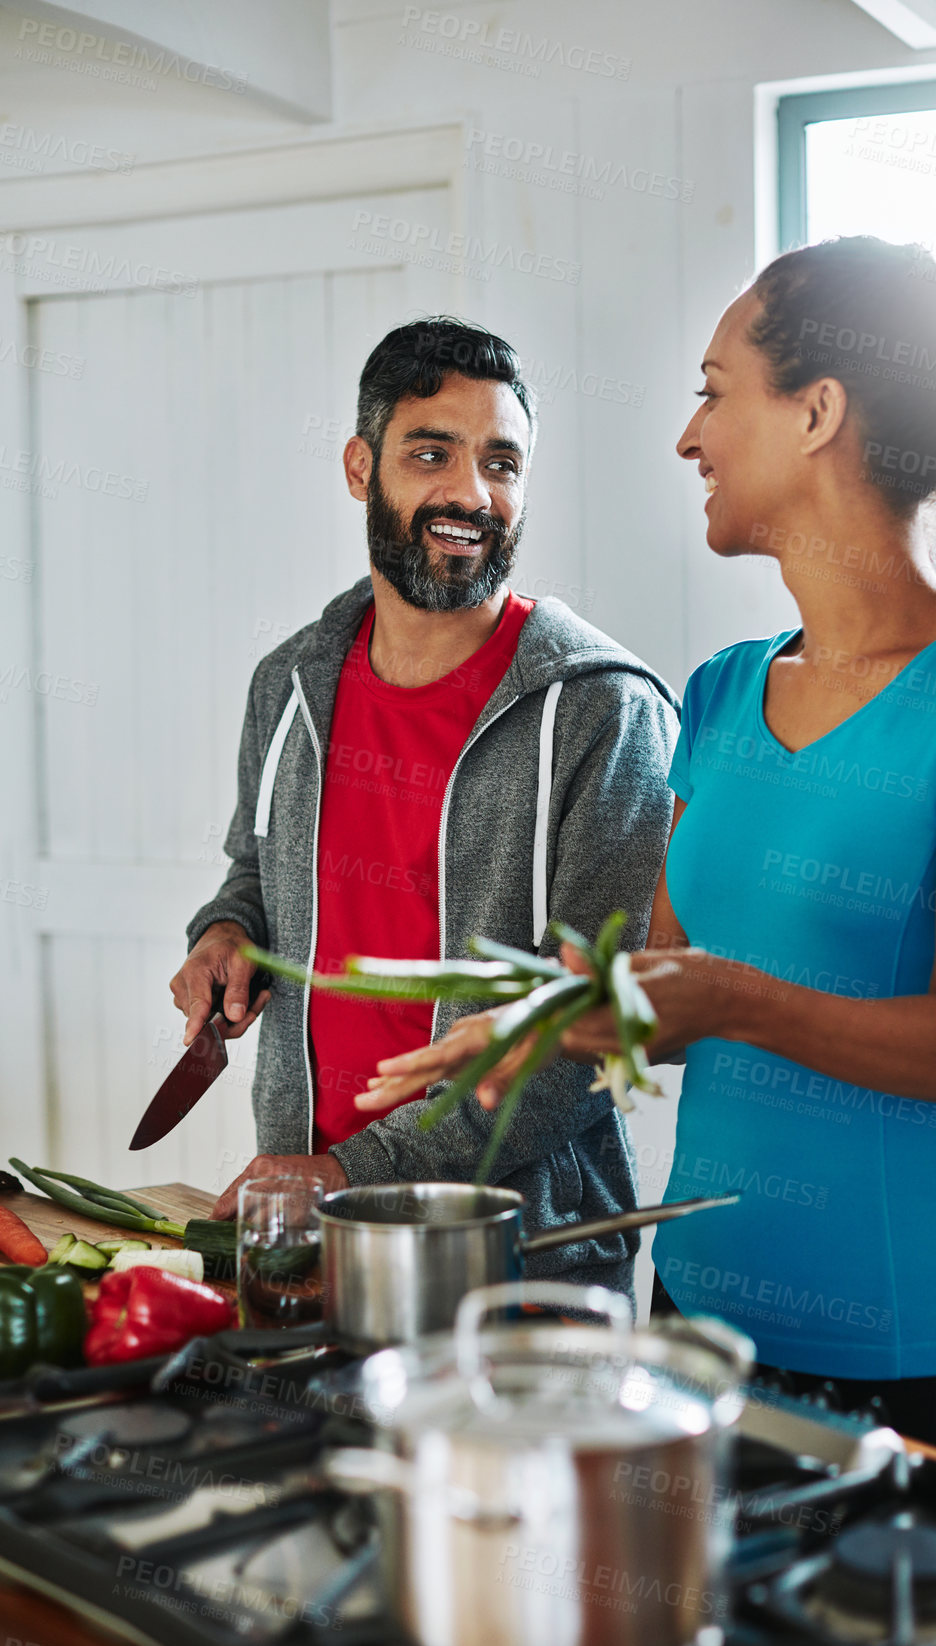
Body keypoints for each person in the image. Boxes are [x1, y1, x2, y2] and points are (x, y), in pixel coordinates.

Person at [355, 238, 936, 1467]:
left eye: (713, 390)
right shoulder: (715, 694)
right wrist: (543, 1018)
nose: (687, 437)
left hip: (908, 1338)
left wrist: (720, 995)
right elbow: (667, 984)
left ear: (815, 413)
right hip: (695, 1308)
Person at [170, 316, 678, 1304]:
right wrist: (226, 930)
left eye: (501, 462)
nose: (470, 495)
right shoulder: (289, 684)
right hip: (311, 1237)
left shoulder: (602, 711)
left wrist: (351, 1175)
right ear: (361, 468)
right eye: (431, 453)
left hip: (524, 1264)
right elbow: (255, 869)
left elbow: (590, 1028)